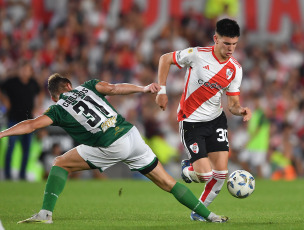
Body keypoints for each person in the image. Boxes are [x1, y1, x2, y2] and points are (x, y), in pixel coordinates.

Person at [0, 73, 228, 224]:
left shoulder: (57, 109)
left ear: (53, 96)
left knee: (59, 163)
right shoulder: (89, 86)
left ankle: (45, 214)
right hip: (132, 135)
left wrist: (3, 132)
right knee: (168, 183)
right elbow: (115, 88)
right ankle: (210, 216)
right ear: (69, 85)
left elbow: (30, 125)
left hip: (111, 145)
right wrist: (143, 88)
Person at [155, 18, 252, 221]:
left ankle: (198, 214)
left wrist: (241, 110)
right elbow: (165, 59)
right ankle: (187, 169)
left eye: (234, 44)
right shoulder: (197, 55)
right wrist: (162, 91)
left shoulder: (235, 69)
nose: (231, 48)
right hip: (191, 121)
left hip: (216, 120)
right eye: (226, 43)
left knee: (221, 174)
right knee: (206, 175)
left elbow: (232, 104)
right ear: (215, 39)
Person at [0, 61, 43, 180]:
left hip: (29, 122)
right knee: (10, 148)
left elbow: (41, 92)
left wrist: (37, 106)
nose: (24, 72)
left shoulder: (33, 83)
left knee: (26, 150)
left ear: (30, 72)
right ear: (19, 70)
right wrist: (4, 100)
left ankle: (22, 175)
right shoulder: (11, 82)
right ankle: (7, 175)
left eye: (27, 70)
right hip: (13, 120)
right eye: (22, 69)